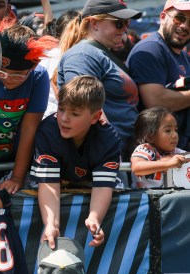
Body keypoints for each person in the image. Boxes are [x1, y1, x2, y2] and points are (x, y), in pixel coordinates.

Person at [0, 23, 56, 215]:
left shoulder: (39, 77)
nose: (7, 79)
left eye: (16, 76)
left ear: (32, 68)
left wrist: (17, 177)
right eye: (1, 72)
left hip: (13, 161)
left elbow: (28, 130)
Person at [31, 75, 120, 249]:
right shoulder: (47, 132)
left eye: (75, 113)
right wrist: (51, 224)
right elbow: (49, 185)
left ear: (95, 117)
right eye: (61, 109)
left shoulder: (109, 139)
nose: (64, 118)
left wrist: (95, 217)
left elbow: (103, 186)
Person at [56, 0, 143, 158]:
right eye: (118, 23)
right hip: (103, 155)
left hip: (120, 151)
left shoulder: (99, 53)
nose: (124, 28)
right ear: (95, 23)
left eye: (127, 22)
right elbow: (80, 104)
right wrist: (110, 148)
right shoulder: (83, 55)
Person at [127, 0, 190, 151]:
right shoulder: (151, 49)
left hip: (178, 152)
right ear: (162, 17)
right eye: (179, 18)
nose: (185, 26)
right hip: (156, 157)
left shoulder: (183, 56)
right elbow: (155, 101)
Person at [131, 107, 190, 188]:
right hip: (146, 198)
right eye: (168, 130)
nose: (175, 135)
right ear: (150, 136)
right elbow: (136, 168)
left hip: (169, 197)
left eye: (175, 130)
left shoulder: (175, 152)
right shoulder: (145, 149)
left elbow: (187, 157)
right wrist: (167, 164)